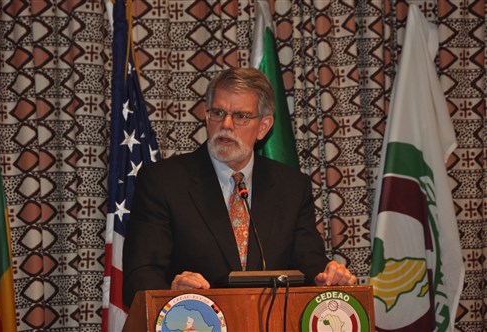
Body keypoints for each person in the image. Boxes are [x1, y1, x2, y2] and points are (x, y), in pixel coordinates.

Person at [123, 67, 357, 307]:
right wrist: (172, 293)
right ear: (207, 116)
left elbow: (309, 266)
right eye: (218, 112)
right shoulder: (163, 181)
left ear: (264, 126)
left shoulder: (291, 187)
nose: (226, 124)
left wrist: (328, 277)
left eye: (241, 116)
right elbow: (139, 277)